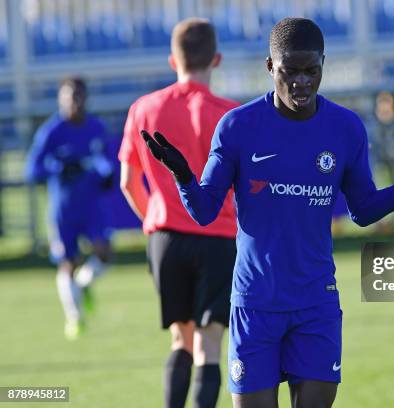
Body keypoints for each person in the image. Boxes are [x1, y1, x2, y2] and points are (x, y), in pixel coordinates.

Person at [142, 18, 394, 408]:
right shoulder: (237, 126)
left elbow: (363, 211)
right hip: (255, 305)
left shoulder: (345, 127)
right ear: (269, 67)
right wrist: (183, 175)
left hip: (316, 305)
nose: (301, 81)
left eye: (311, 70)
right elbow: (203, 210)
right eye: (289, 71)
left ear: (323, 64)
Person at [118, 18, 238, 408]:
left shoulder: (143, 109)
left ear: (173, 60)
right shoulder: (231, 115)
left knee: (180, 340)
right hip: (219, 238)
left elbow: (127, 182)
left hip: (165, 236)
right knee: (210, 344)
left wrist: (151, 219)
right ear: (216, 59)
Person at [25, 77, 114, 340]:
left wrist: (107, 175)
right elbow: (32, 170)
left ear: (86, 98)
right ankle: (74, 319)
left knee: (104, 253)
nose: (74, 101)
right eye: (68, 96)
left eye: (78, 96)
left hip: (92, 206)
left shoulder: (96, 127)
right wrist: (59, 167)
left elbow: (108, 160)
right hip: (63, 209)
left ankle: (84, 284)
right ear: (60, 99)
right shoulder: (51, 132)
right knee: (67, 262)